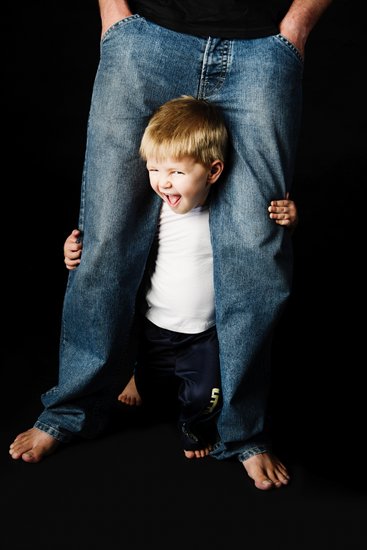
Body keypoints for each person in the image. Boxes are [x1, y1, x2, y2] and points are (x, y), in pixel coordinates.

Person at [9, 0, 332, 491]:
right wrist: (114, 16)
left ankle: (242, 431)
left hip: (262, 48)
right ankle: (69, 411)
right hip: (148, 40)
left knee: (257, 250)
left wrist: (296, 30)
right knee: (106, 243)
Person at [61, 96, 299, 460]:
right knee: (152, 380)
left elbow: (262, 247)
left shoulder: (227, 211)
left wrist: (289, 220)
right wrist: (76, 253)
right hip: (153, 324)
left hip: (203, 334)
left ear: (213, 172)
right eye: (155, 170)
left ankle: (193, 426)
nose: (163, 184)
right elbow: (114, 248)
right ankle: (138, 376)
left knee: (204, 396)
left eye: (176, 173)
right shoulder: (155, 211)